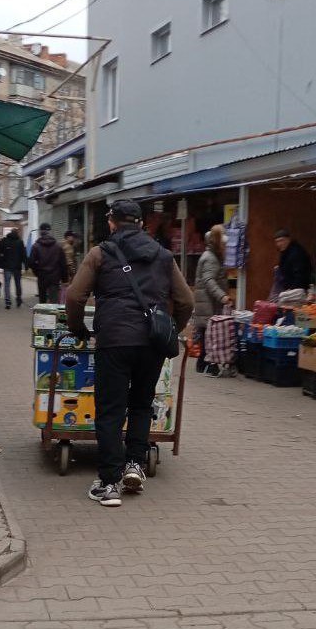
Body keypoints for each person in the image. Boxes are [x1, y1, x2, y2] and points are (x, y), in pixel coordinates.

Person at [66, 199, 194, 507]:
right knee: (140, 403)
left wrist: (78, 329)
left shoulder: (100, 253)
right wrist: (170, 329)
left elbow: (74, 296)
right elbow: (186, 300)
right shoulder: (163, 256)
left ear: (111, 222)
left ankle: (109, 482)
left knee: (110, 409)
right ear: (141, 224)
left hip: (114, 340)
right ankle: (134, 465)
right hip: (151, 343)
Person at [193, 224, 230, 376]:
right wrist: (222, 296)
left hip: (205, 302)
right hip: (208, 302)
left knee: (205, 334)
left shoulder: (209, 256)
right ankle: (209, 364)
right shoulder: (211, 258)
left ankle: (202, 363)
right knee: (210, 335)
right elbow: (209, 280)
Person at [29, 223, 67, 303]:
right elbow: (63, 264)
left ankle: (43, 315)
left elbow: (31, 262)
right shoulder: (58, 246)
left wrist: (37, 272)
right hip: (55, 277)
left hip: (42, 276)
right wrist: (64, 279)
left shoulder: (36, 246)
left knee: (42, 301)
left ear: (40, 232)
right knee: (54, 300)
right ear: (50, 232)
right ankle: (53, 315)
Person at [0, 228, 27, 309]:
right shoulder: (20, 242)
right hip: (17, 267)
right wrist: (26, 265)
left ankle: (8, 301)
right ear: (17, 234)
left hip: (7, 266)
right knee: (18, 283)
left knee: (7, 284)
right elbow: (23, 255)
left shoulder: (4, 241)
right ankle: (18, 298)